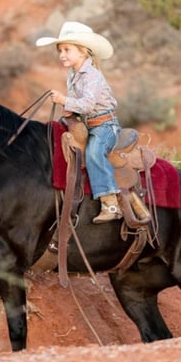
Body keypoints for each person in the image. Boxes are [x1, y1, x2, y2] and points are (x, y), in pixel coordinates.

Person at [36, 21, 123, 223]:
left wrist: (64, 100)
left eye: (67, 49)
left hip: (105, 125)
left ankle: (110, 203)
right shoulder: (73, 74)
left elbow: (87, 104)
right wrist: (69, 108)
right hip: (89, 124)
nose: (62, 55)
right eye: (60, 50)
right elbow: (78, 105)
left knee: (94, 152)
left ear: (83, 52)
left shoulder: (92, 75)